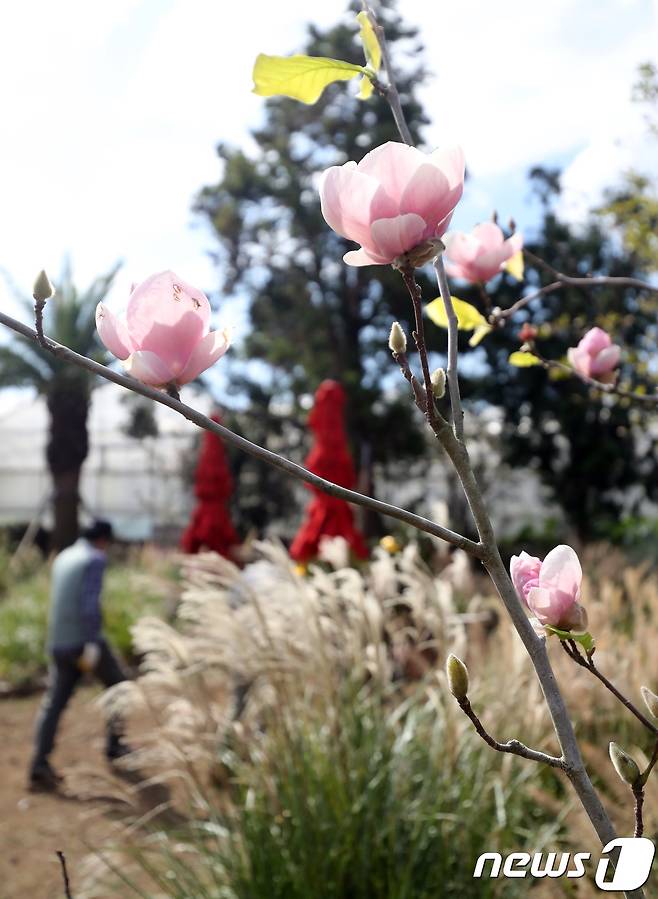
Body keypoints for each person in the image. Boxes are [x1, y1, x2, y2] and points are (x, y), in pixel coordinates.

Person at [29, 519, 130, 791]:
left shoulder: (65, 555)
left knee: (54, 702)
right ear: (103, 540)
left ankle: (39, 763)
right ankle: (115, 745)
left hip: (58, 642)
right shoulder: (94, 558)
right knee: (120, 686)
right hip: (82, 641)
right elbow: (89, 604)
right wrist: (91, 643)